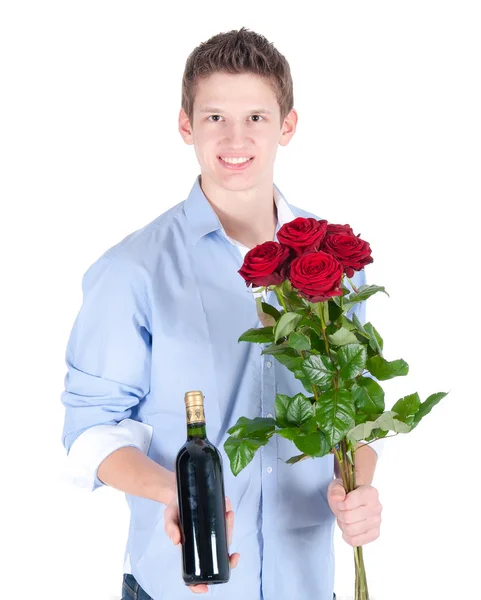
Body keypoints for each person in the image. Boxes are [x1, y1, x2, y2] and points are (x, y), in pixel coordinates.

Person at [60, 27, 384, 600]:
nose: (235, 137)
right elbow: (91, 432)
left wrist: (357, 487)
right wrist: (175, 493)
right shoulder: (132, 270)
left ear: (288, 125)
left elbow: (354, 409)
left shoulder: (336, 261)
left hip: (309, 588)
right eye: (214, 117)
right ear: (186, 125)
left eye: (257, 117)